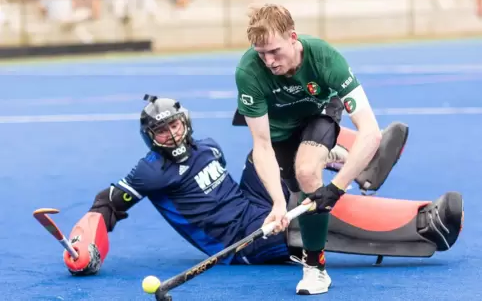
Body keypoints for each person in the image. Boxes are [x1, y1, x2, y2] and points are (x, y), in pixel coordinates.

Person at [62, 96, 463, 282]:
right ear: (152, 137)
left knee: (280, 136)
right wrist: (86, 245)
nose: (172, 134)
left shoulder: (207, 147)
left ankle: (366, 160)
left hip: (251, 205)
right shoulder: (151, 172)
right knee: (314, 207)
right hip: (241, 241)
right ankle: (423, 224)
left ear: (186, 121)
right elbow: (107, 204)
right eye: (162, 131)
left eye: (176, 125)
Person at [233, 3, 392, 294]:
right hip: (280, 132)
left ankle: (315, 268)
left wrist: (337, 189)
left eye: (274, 51)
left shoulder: (324, 57)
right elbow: (262, 145)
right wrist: (278, 205)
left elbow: (371, 133)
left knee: (307, 174)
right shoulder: (248, 72)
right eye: (261, 54)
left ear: (293, 37)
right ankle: (331, 155)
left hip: (318, 113)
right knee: (295, 193)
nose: (269, 61)